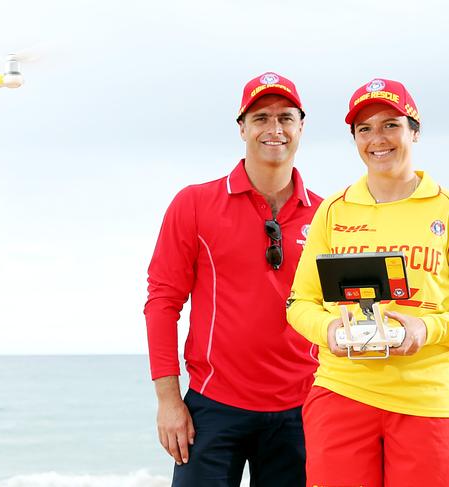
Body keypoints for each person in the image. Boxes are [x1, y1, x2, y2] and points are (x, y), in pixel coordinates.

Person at [144, 72, 323, 487]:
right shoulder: (194, 203)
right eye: (260, 117)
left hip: (302, 408)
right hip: (214, 406)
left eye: (285, 118)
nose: (274, 129)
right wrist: (168, 401)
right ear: (242, 127)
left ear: (301, 126)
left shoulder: (328, 212)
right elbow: (162, 302)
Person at [287, 78, 449, 486]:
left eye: (391, 124)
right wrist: (329, 329)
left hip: (427, 401)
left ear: (414, 130)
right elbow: (299, 302)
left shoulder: (444, 210)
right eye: (364, 128)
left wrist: (425, 327)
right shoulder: (332, 211)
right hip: (342, 392)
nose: (378, 138)